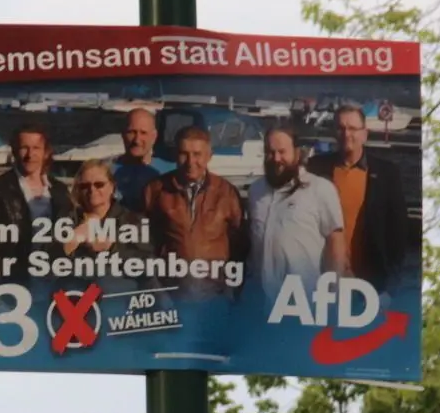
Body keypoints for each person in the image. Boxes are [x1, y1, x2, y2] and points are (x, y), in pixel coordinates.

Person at [305, 104, 411, 291]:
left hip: (370, 281)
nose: (347, 134)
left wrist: (391, 286)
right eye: (341, 128)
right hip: (324, 279)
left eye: (353, 128)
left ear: (364, 134)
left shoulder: (387, 173)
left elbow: (398, 232)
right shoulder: (315, 168)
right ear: (334, 133)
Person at [140, 125, 247, 299]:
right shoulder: (156, 190)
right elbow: (144, 245)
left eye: (197, 154)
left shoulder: (226, 193)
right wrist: (157, 290)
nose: (190, 162)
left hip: (215, 295)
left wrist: (232, 290)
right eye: (184, 154)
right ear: (175, 155)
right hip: (171, 293)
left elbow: (241, 247)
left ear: (209, 156)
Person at [247, 125, 347, 297]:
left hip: (304, 298)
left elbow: (336, 242)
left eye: (282, 152)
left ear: (297, 153)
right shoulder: (255, 191)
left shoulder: (320, 188)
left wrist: (333, 291)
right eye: (270, 152)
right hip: (262, 299)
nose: (276, 158)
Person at [0, 123, 73, 289]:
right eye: (24, 148)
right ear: (14, 151)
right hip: (14, 284)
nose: (30, 155)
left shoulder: (59, 190)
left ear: (46, 152)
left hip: (55, 284)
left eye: (36, 148)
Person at [57, 159, 155, 295]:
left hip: (117, 298)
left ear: (112, 187)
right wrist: (70, 243)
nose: (92, 190)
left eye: (99, 185)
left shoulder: (132, 221)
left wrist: (112, 248)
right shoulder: (67, 219)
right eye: (85, 186)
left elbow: (148, 264)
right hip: (75, 298)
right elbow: (45, 264)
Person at [111, 108, 174, 207]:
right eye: (131, 132)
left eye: (143, 133)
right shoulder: (106, 172)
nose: (137, 140)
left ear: (154, 136)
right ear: (123, 134)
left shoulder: (171, 172)